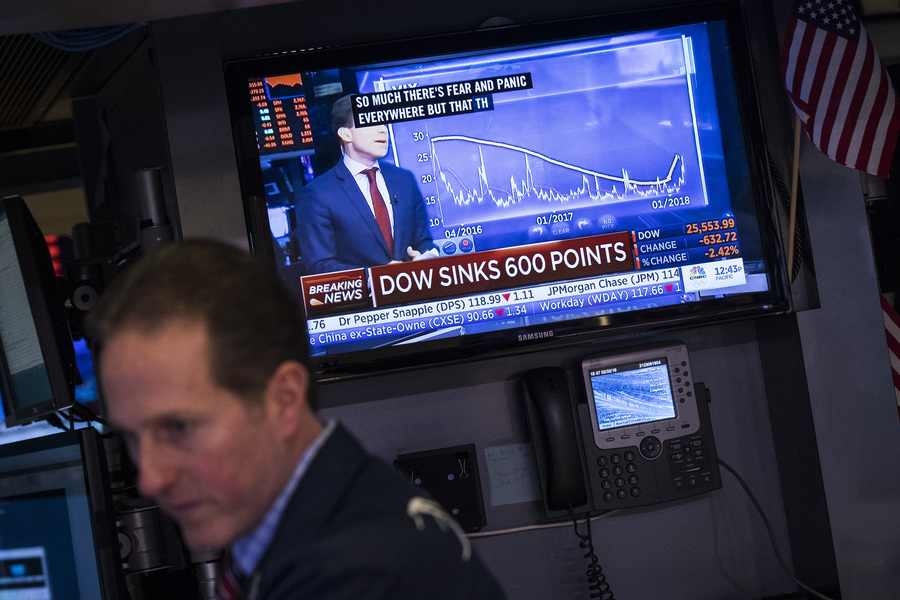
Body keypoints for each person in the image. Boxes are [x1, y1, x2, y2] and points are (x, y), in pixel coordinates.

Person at [86, 239, 504, 600]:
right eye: (132, 438)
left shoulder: (354, 577)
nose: (150, 479)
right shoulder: (326, 517)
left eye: (179, 428)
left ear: (283, 400)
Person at [295, 95, 436, 274]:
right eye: (371, 122)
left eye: (383, 123)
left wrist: (425, 257)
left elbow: (423, 241)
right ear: (346, 134)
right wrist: (376, 275)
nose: (383, 130)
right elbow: (320, 265)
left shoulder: (404, 180)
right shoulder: (318, 194)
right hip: (362, 292)